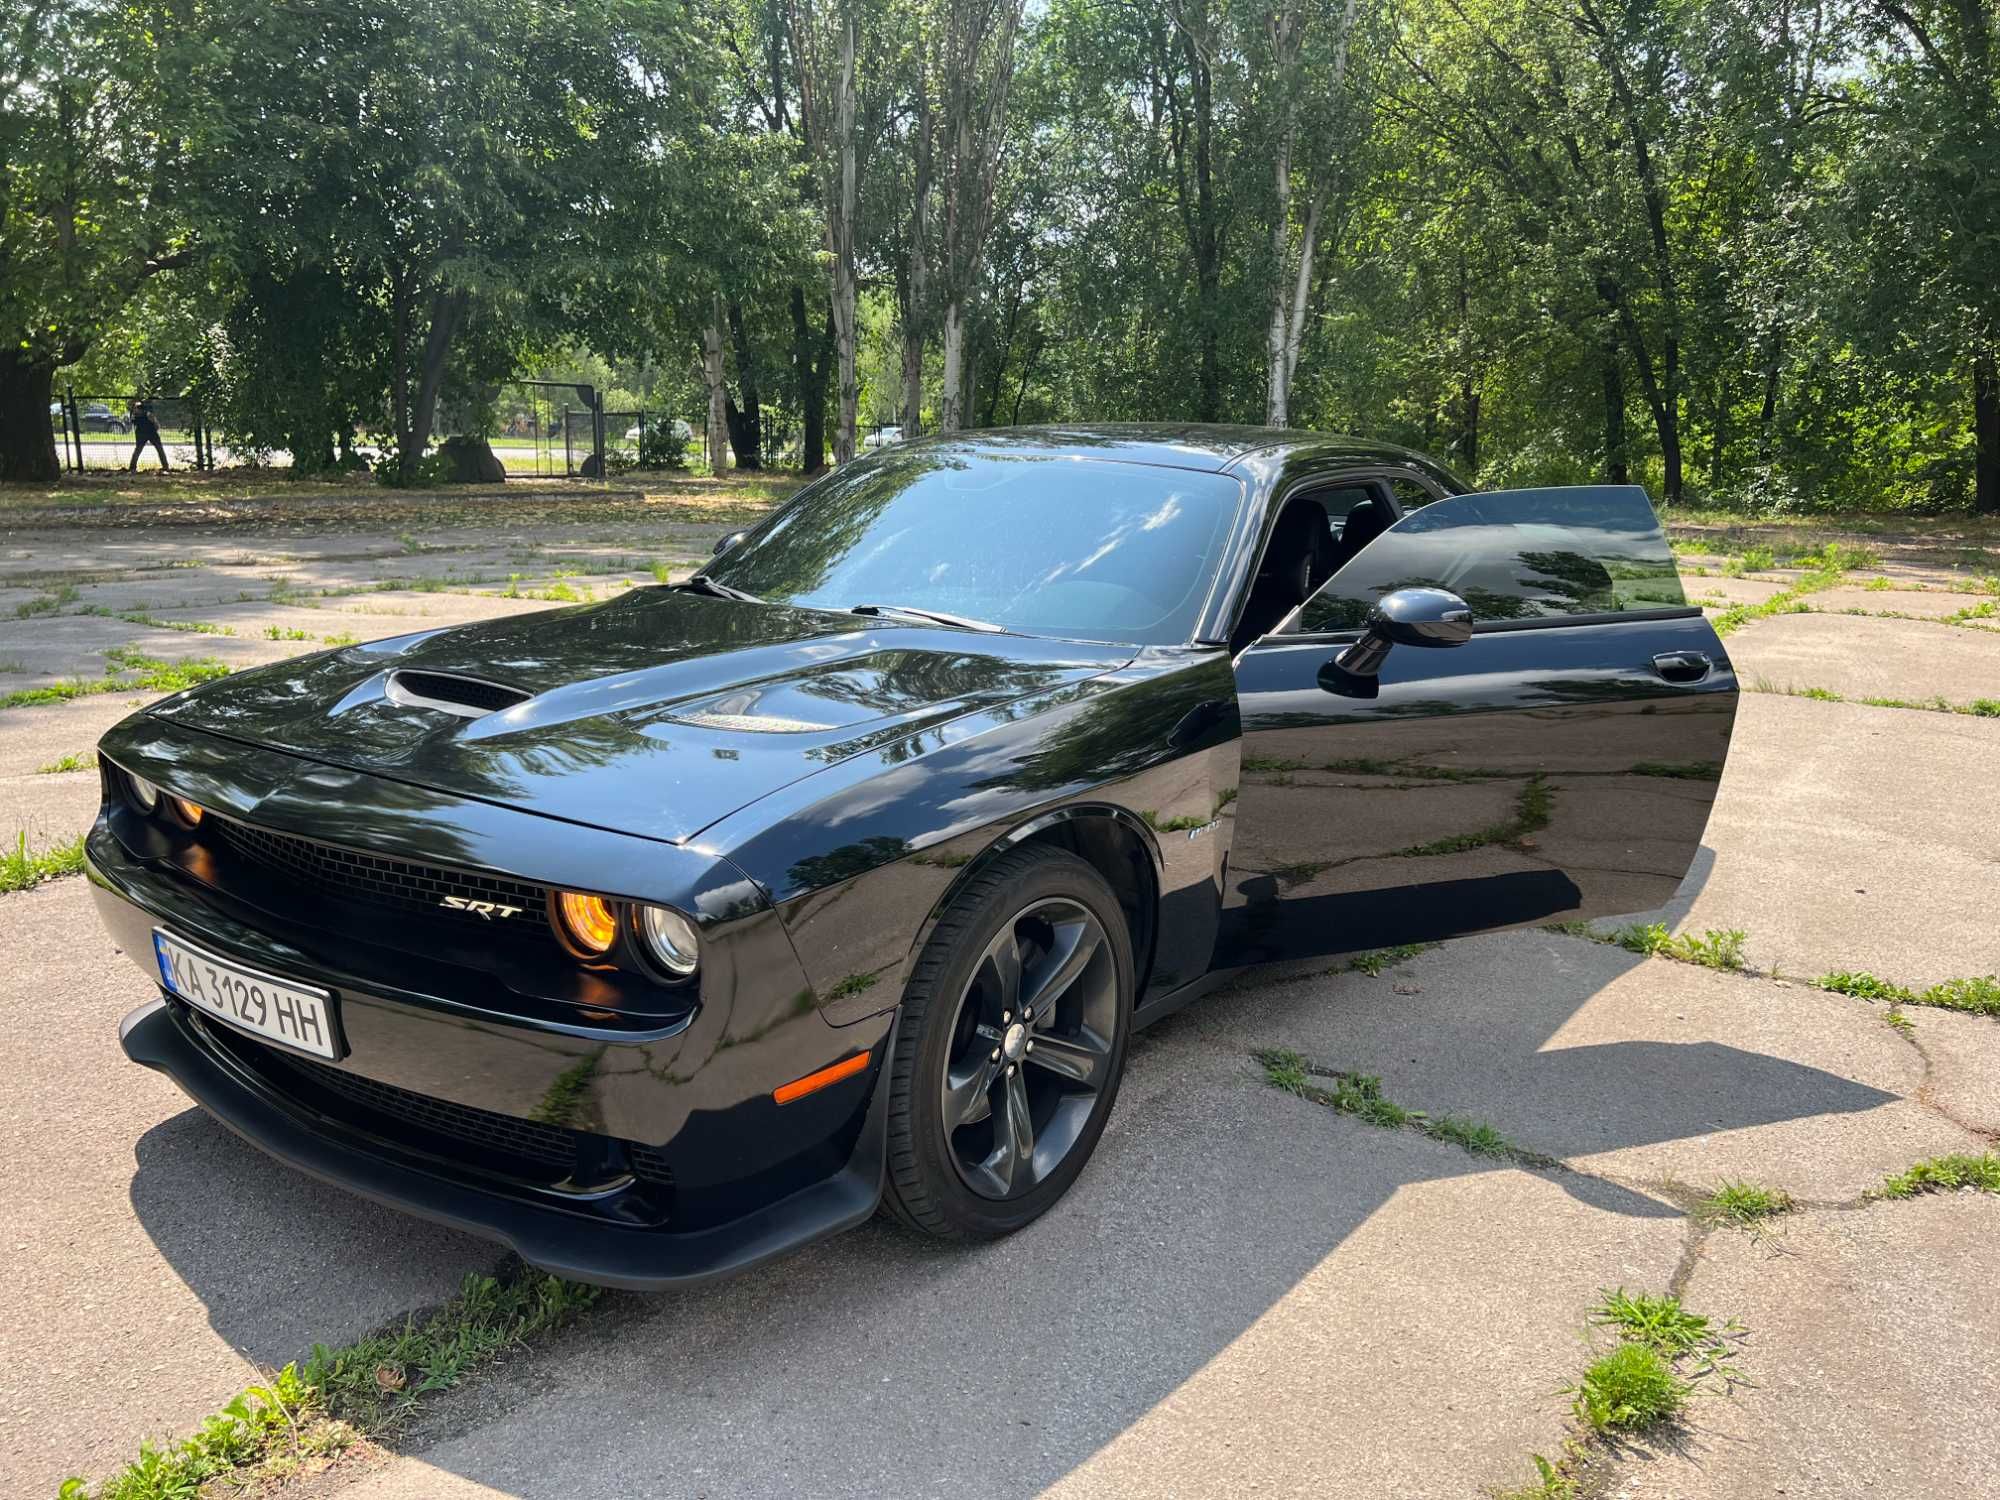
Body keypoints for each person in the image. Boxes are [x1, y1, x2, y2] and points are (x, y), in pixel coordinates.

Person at [128, 397, 170, 471]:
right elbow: (156, 424)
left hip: (148, 433)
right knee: (139, 450)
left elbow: (156, 424)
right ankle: (132, 467)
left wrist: (155, 429)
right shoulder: (137, 415)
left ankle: (165, 466)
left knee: (158, 449)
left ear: (140, 409)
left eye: (137, 409)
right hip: (145, 434)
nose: (136, 410)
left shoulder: (144, 414)